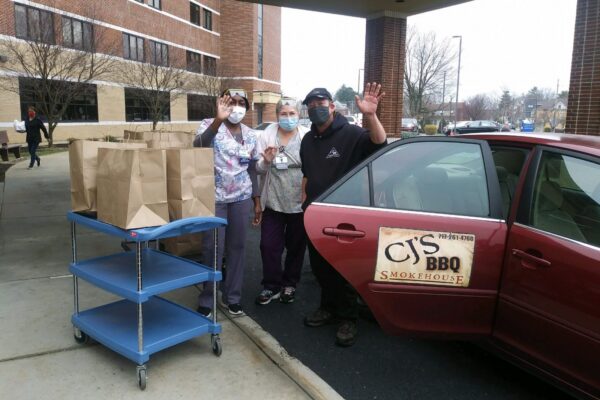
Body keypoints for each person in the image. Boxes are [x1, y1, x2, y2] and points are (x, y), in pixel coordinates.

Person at [300, 83, 387, 347]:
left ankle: (348, 318)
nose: (317, 109)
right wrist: (304, 201)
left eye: (321, 104)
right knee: (321, 268)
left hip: (344, 215)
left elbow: (379, 143)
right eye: (312, 106)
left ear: (332, 106)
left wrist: (371, 116)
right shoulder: (307, 139)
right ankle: (328, 308)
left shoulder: (350, 134)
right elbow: (307, 175)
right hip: (315, 215)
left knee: (343, 269)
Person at [194, 89, 261, 317]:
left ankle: (233, 297)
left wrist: (257, 201)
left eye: (241, 103)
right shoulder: (209, 124)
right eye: (231, 102)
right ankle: (207, 298)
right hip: (215, 198)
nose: (236, 106)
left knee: (237, 248)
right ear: (222, 103)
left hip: (241, 198)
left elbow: (253, 168)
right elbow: (198, 146)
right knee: (212, 248)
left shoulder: (252, 135)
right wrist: (217, 120)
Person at [254, 97, 309, 305]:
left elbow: (312, 168)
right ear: (277, 115)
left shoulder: (306, 136)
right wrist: (266, 161)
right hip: (274, 201)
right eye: (283, 114)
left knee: (295, 246)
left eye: (292, 113)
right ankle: (271, 286)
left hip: (298, 201)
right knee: (268, 245)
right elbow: (258, 169)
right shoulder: (267, 135)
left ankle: (289, 284)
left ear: (299, 114)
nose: (288, 118)